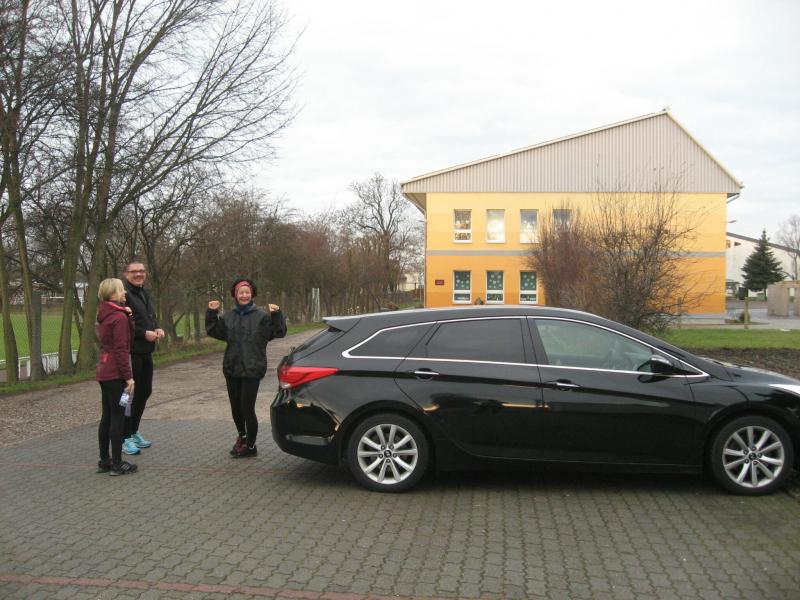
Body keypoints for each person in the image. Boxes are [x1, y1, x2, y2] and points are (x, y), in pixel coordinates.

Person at [206, 278, 287, 458]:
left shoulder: (262, 317)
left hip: (252, 369)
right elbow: (214, 330)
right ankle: (242, 437)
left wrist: (276, 314)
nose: (244, 295)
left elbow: (279, 332)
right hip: (232, 368)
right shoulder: (228, 316)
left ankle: (251, 446)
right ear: (235, 295)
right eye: (240, 292)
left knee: (246, 408)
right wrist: (211, 313)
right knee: (236, 408)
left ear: (252, 294)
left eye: (247, 292)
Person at [121, 260, 164, 455]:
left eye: (141, 271)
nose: (138, 274)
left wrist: (156, 328)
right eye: (134, 271)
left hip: (146, 351)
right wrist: (142, 333)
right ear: (126, 274)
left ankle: (133, 430)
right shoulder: (123, 295)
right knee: (127, 396)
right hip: (131, 353)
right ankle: (123, 437)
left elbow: (148, 318)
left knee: (145, 391)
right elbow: (123, 324)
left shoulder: (145, 293)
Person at [96, 278, 137, 476]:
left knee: (107, 416)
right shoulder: (119, 318)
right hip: (116, 374)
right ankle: (118, 463)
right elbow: (122, 348)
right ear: (113, 293)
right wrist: (129, 377)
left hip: (104, 371)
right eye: (121, 290)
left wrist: (129, 317)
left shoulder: (105, 314)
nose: (124, 293)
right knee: (118, 416)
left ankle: (105, 460)